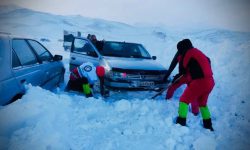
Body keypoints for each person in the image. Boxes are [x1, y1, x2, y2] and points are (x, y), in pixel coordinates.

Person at [166, 39, 215, 131]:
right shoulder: (198, 52)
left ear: (182, 48)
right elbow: (208, 60)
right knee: (203, 104)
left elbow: (182, 70)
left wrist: (176, 79)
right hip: (210, 81)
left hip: (199, 81)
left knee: (184, 100)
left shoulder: (188, 53)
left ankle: (181, 122)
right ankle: (208, 125)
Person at [164, 45, 200, 116]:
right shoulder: (180, 52)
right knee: (172, 86)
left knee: (193, 93)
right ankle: (168, 100)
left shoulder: (194, 53)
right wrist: (166, 76)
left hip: (192, 76)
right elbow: (173, 64)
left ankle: (195, 111)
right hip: (183, 75)